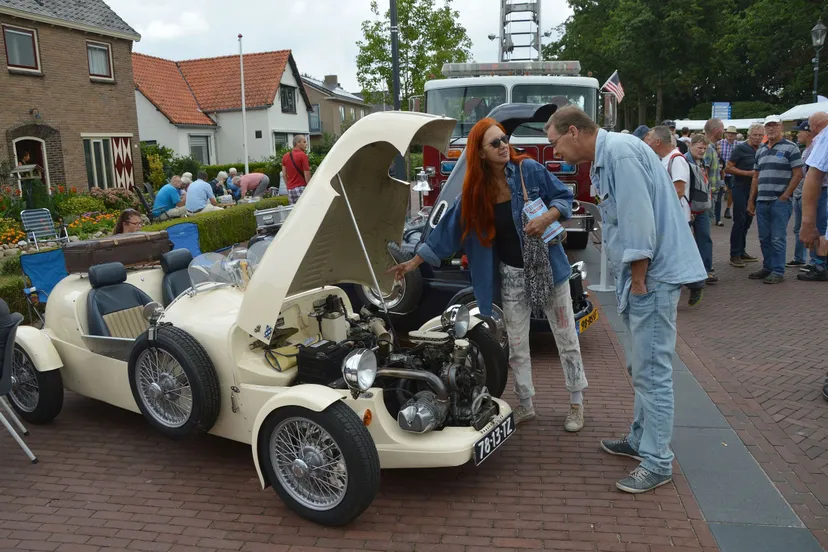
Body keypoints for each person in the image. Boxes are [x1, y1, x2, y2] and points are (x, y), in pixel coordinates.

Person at [388, 117, 589, 431]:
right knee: (517, 344)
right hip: (511, 275)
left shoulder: (529, 170)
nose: (503, 146)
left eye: (504, 139)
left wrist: (547, 216)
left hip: (549, 269)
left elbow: (563, 197)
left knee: (566, 338)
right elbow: (447, 232)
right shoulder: (474, 192)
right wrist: (413, 263)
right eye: (494, 143)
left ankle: (576, 403)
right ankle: (525, 404)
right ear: (479, 153)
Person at [545, 106, 706, 494]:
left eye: (554, 143)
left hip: (651, 278)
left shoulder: (618, 153)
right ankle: (640, 439)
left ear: (572, 131)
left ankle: (657, 461)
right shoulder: (613, 153)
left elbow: (638, 221)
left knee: (652, 371)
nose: (554, 153)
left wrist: (637, 280)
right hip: (647, 276)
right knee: (642, 367)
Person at [747, 115, 804, 284]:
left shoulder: (791, 148)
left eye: (774, 125)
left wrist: (786, 195)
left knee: (778, 237)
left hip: (779, 201)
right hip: (762, 200)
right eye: (768, 126)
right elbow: (755, 177)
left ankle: (778, 270)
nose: (771, 129)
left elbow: (798, 174)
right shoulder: (761, 150)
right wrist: (751, 200)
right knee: (764, 237)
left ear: (780, 127)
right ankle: (768, 267)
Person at [725, 124, 763, 268]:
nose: (757, 138)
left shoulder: (763, 149)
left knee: (748, 220)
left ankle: (742, 251)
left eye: (760, 135)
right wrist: (748, 173)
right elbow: (728, 167)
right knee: (739, 220)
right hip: (740, 187)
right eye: (755, 135)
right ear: (749, 135)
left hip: (755, 189)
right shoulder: (740, 148)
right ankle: (734, 254)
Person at [798, 112, 828, 282]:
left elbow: (813, 175)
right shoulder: (823, 139)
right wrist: (808, 222)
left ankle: (820, 265)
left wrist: (807, 223)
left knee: (822, 230)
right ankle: (819, 264)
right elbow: (813, 175)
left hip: (822, 192)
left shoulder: (822, 138)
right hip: (820, 193)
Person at [788, 121, 813, 270]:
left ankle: (816, 261)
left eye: (800, 132)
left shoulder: (814, 149)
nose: (797, 134)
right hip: (798, 194)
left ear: (808, 132)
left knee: (811, 227)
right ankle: (799, 258)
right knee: (798, 229)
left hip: (807, 194)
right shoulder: (804, 150)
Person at [282, 135, 312, 204]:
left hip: (290, 190)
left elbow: (284, 175)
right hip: (301, 188)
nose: (306, 144)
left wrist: (288, 186)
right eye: (304, 142)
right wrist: (310, 187)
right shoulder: (303, 155)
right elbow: (307, 174)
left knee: (295, 212)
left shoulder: (285, 156)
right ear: (298, 143)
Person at [718, 126, 739, 219]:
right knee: (717, 191)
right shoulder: (719, 143)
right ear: (726, 134)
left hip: (732, 172)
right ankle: (716, 210)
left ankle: (728, 208)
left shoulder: (738, 146)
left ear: (735, 135)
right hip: (720, 171)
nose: (730, 135)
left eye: (732, 133)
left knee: (731, 191)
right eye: (729, 133)